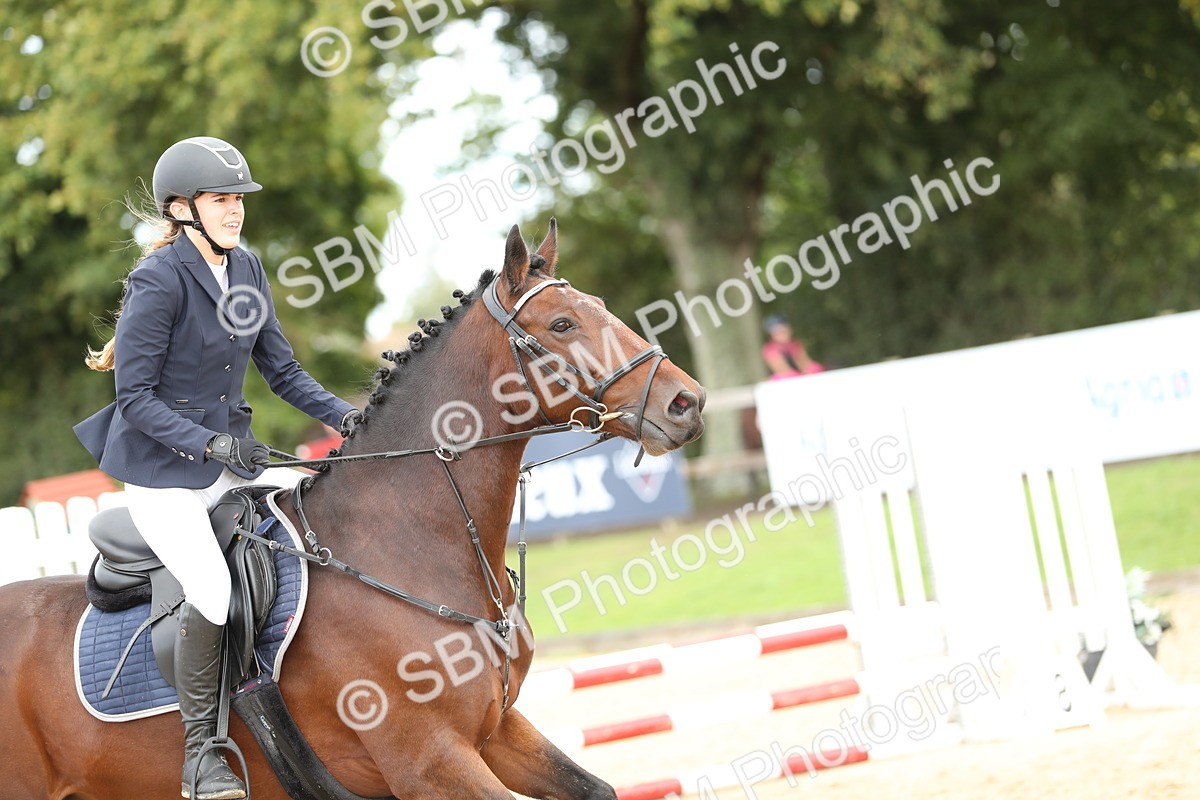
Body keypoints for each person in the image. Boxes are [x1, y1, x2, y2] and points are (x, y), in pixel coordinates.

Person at [74, 136, 362, 800]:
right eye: (221, 200)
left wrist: (351, 420)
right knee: (209, 588)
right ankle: (201, 756)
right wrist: (210, 446)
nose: (235, 212)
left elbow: (283, 373)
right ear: (183, 209)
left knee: (321, 513)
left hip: (230, 459)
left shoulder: (248, 270)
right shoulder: (159, 277)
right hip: (161, 474)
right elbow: (134, 398)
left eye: (238, 200)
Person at [761, 314, 824, 380]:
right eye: (778, 332)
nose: (782, 334)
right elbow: (783, 371)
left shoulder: (795, 345)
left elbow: (806, 364)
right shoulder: (770, 350)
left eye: (784, 331)